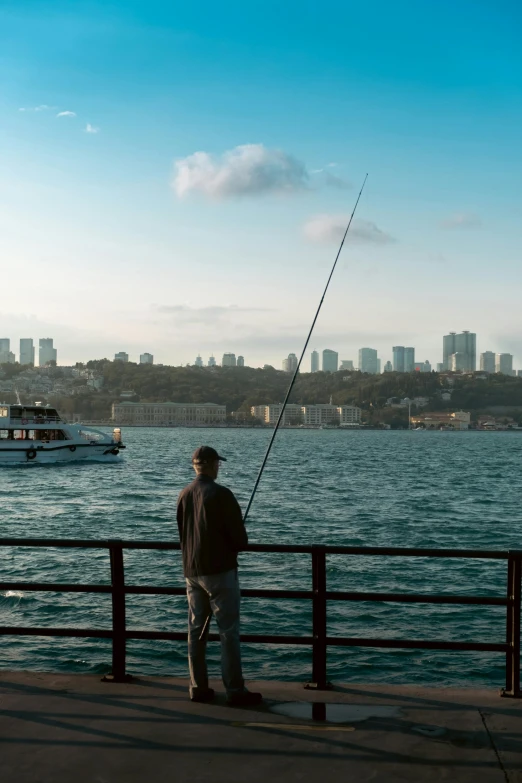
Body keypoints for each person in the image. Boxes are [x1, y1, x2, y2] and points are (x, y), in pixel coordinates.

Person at [177, 445, 262, 706]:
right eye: (218, 464)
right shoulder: (222, 494)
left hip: (192, 572)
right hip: (221, 572)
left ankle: (197, 687)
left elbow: (183, 534)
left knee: (195, 631)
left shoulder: (184, 494)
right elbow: (239, 540)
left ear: (194, 466)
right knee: (228, 633)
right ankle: (235, 691)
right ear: (214, 465)